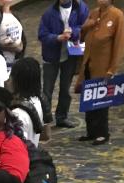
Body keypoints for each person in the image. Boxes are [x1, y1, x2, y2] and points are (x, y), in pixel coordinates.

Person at [75, 0, 124, 145]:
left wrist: (112, 68)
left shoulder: (117, 15)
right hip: (88, 64)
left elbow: (119, 44)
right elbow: (81, 37)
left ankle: (102, 133)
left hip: (103, 67)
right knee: (89, 98)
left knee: (102, 101)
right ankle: (91, 131)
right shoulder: (94, 12)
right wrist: (85, 27)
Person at [38, 0, 90, 129]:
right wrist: (57, 37)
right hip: (51, 56)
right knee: (47, 90)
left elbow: (85, 26)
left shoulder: (81, 8)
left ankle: (62, 117)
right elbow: (42, 35)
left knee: (65, 88)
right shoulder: (49, 13)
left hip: (71, 55)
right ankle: (45, 120)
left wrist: (74, 32)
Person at [0, 0, 26, 69]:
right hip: (4, 65)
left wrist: (21, 46)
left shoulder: (14, 15)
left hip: (17, 62)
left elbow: (22, 37)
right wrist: (10, 47)